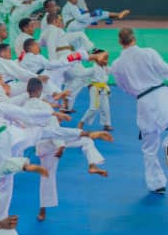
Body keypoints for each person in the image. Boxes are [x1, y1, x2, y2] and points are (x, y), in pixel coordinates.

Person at [0, 82, 110, 219]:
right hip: (13, 136)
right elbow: (24, 114)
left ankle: (0, 221)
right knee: (45, 131)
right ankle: (84, 133)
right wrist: (53, 113)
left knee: (5, 184)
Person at [108, 28, 168, 194]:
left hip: (143, 103)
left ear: (120, 42)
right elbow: (166, 70)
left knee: (149, 148)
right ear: (134, 39)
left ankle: (157, 184)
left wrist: (137, 90)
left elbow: (123, 87)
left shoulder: (116, 66)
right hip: (164, 95)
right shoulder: (148, 53)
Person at [22, 78, 110, 222]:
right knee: (86, 140)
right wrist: (60, 145)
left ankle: (42, 211)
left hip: (42, 145)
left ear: (28, 91)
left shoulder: (24, 107)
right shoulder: (44, 108)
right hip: (54, 141)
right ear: (39, 90)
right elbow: (52, 127)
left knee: (47, 178)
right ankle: (92, 165)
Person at [78, 49, 113, 131]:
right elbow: (81, 75)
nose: (106, 61)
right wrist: (88, 84)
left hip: (104, 89)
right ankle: (82, 122)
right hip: (95, 89)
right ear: (97, 59)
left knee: (106, 108)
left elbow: (115, 71)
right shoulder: (93, 69)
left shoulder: (106, 68)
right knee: (93, 108)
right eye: (104, 59)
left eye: (107, 59)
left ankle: (106, 124)